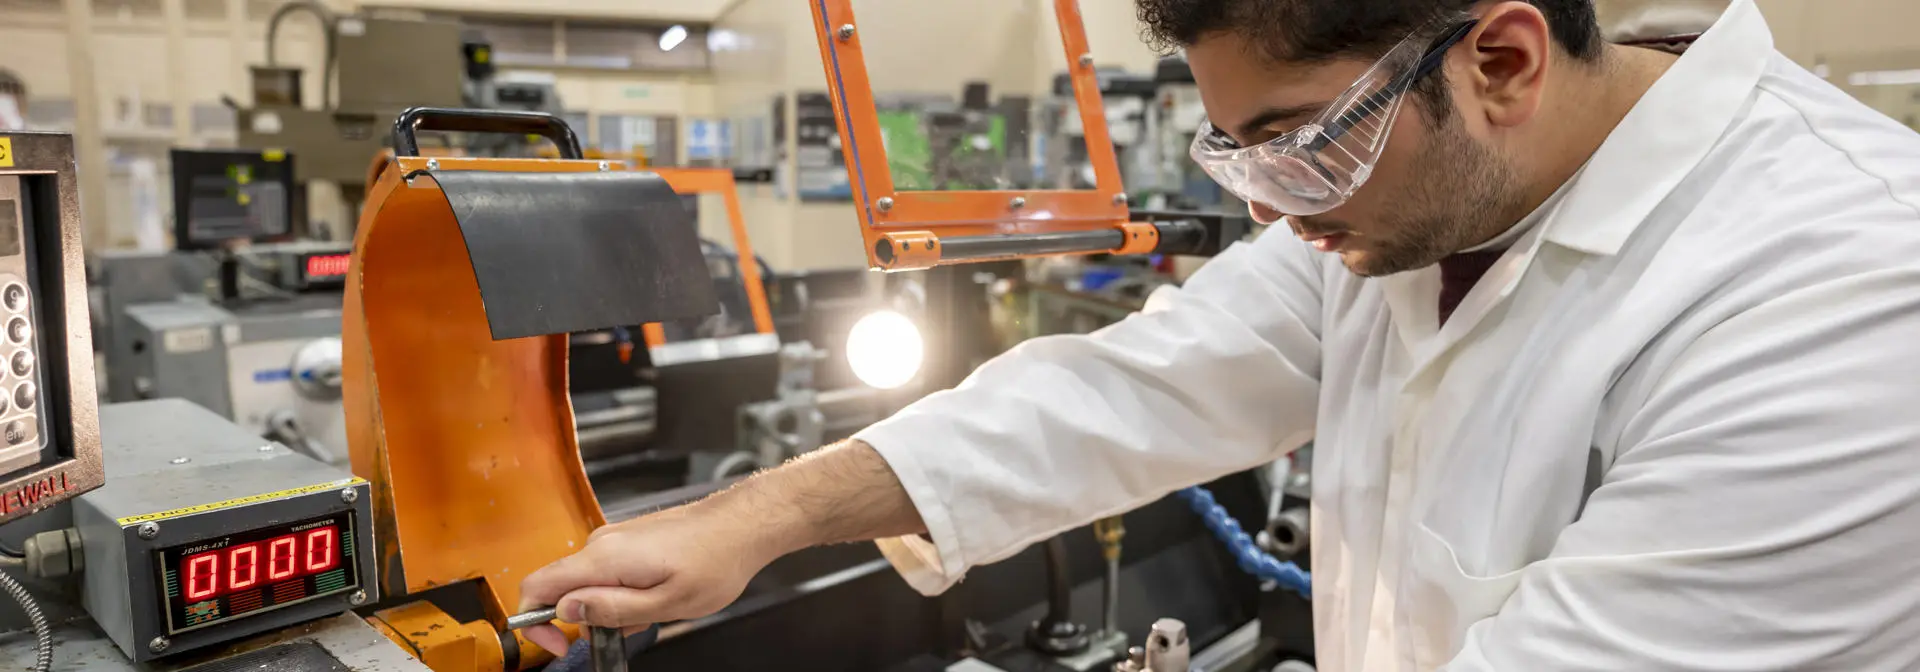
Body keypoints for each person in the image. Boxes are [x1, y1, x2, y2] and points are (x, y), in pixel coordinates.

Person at [522, 0, 1920, 668]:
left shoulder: (1839, 292)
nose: (1271, 207)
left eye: (1293, 146)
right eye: (1234, 154)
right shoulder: (1400, 207)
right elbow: (1139, 386)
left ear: (1499, 61)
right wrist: (755, 518)